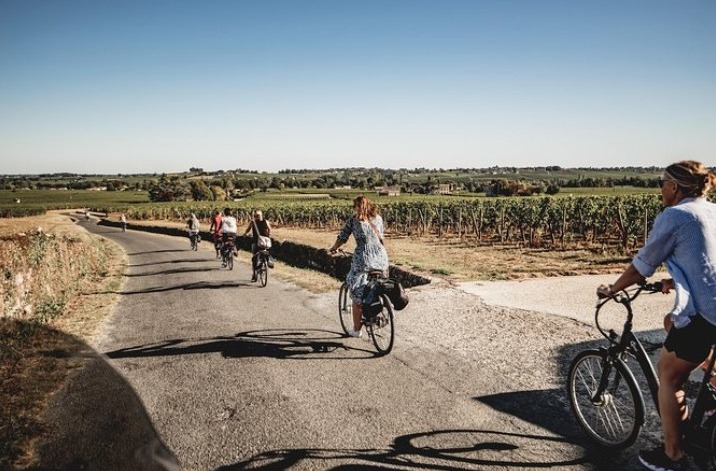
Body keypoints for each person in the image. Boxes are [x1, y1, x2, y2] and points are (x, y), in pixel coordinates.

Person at [596, 160, 716, 471]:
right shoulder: (711, 210)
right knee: (669, 323)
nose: (659, 188)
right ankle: (710, 388)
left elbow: (641, 266)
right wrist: (675, 280)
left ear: (675, 187)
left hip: (708, 314)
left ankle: (672, 454)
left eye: (662, 182)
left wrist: (612, 289)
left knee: (669, 375)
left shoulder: (675, 215)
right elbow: (706, 262)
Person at [329, 195, 389, 338]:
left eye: (354, 206)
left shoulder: (353, 220)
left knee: (357, 293)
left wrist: (334, 248)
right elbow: (381, 237)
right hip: (382, 258)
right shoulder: (378, 218)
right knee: (378, 285)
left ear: (357, 206)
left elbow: (342, 238)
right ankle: (380, 311)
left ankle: (357, 330)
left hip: (363, 259)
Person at [242, 210, 272, 282]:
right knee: (266, 252)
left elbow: (247, 230)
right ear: (261, 215)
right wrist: (268, 235)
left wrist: (245, 234)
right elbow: (269, 229)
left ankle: (254, 274)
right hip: (265, 242)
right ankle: (267, 262)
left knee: (254, 258)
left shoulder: (253, 222)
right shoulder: (266, 221)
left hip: (256, 242)